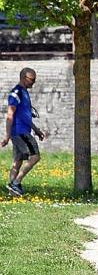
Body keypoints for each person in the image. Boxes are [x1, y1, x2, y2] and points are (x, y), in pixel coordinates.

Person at [1, 67, 46, 196]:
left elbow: (25, 116)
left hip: (24, 130)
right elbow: (10, 115)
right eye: (32, 80)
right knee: (35, 157)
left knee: (17, 162)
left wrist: (36, 130)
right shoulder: (16, 93)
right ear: (23, 78)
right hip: (20, 132)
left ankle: (12, 193)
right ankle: (16, 183)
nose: (33, 82)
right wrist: (7, 136)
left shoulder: (25, 93)